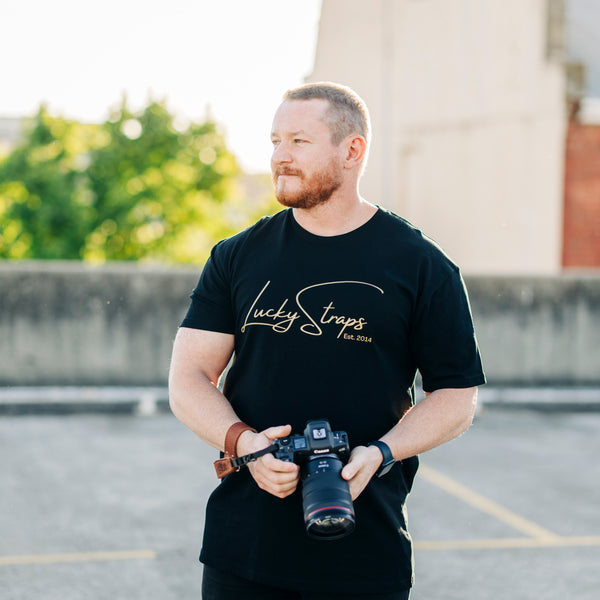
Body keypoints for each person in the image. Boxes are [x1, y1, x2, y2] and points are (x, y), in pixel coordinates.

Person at [169, 82, 485, 600]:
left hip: (365, 556)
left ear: (352, 150)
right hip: (242, 553)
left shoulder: (422, 265)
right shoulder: (237, 256)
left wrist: (381, 453)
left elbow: (457, 397)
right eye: (274, 141)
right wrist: (244, 443)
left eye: (298, 141)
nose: (279, 157)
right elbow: (189, 377)